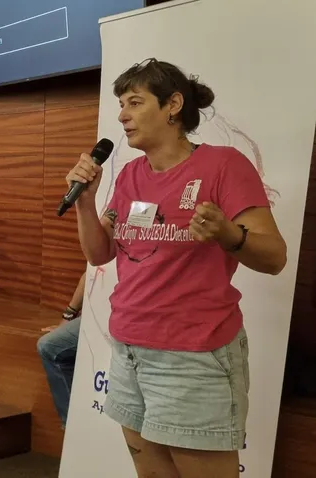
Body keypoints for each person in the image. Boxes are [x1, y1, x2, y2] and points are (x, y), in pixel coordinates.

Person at [65, 58, 286, 478]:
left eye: (134, 102)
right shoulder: (130, 174)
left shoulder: (224, 165)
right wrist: (85, 203)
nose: (122, 115)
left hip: (193, 356)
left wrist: (228, 234)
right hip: (129, 349)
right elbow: (99, 253)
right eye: (120, 104)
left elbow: (275, 257)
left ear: (173, 105)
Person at [37, 271, 85, 429]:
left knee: (50, 346)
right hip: (99, 313)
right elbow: (91, 271)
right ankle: (73, 428)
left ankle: (74, 428)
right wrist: (68, 316)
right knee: (49, 344)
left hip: (129, 317)